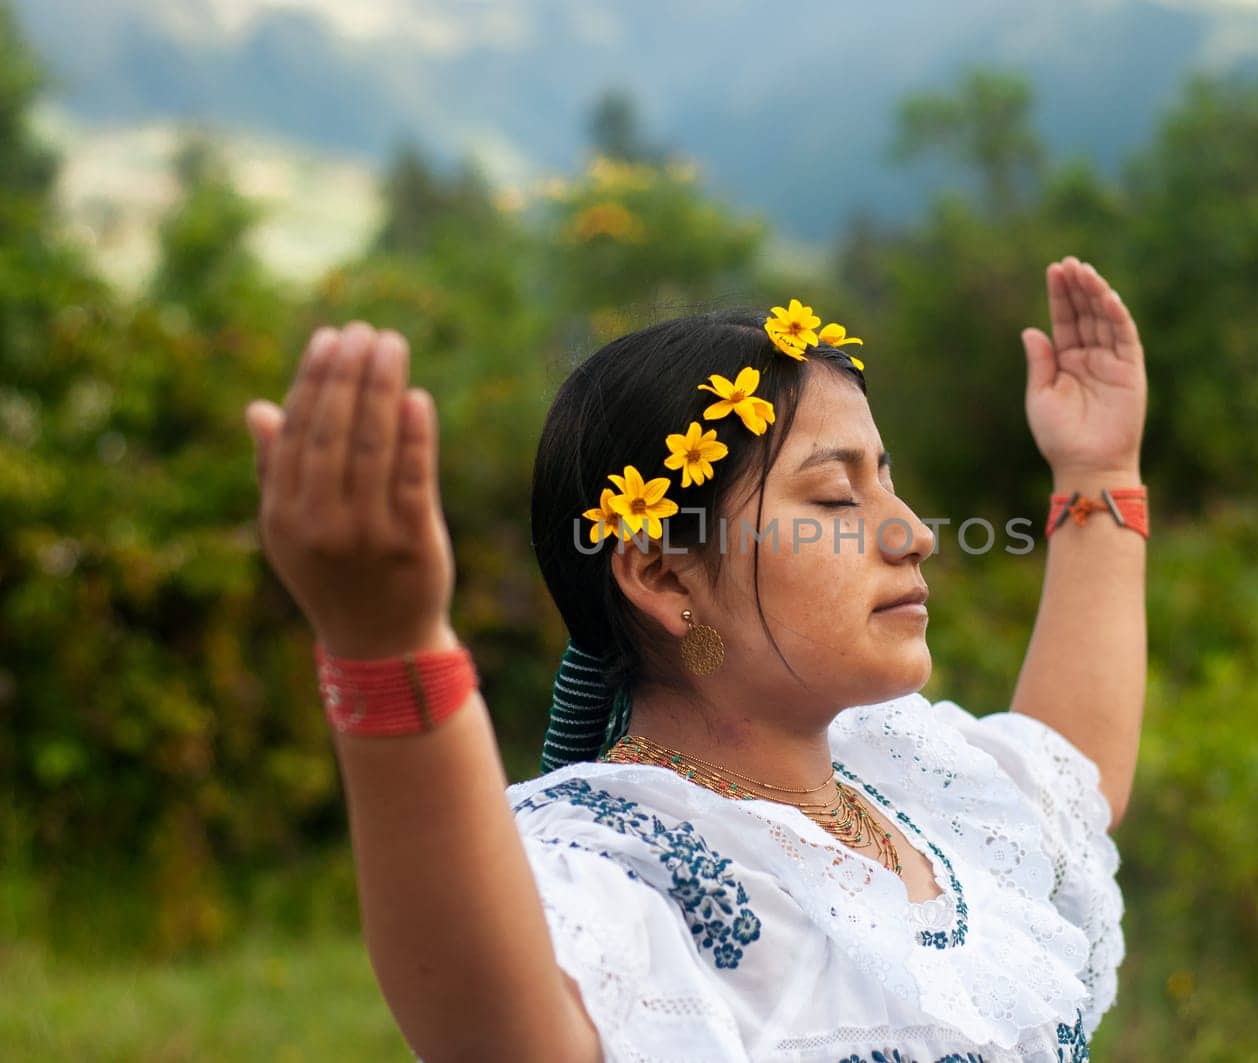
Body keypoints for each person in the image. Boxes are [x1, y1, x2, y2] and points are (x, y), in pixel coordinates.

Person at [243, 254, 1147, 1062]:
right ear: (665, 573)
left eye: (888, 481)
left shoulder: (905, 785)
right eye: (834, 498)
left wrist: (1100, 473)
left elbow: (1073, 779)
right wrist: (386, 646)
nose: (913, 534)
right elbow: (494, 1030)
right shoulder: (621, 862)